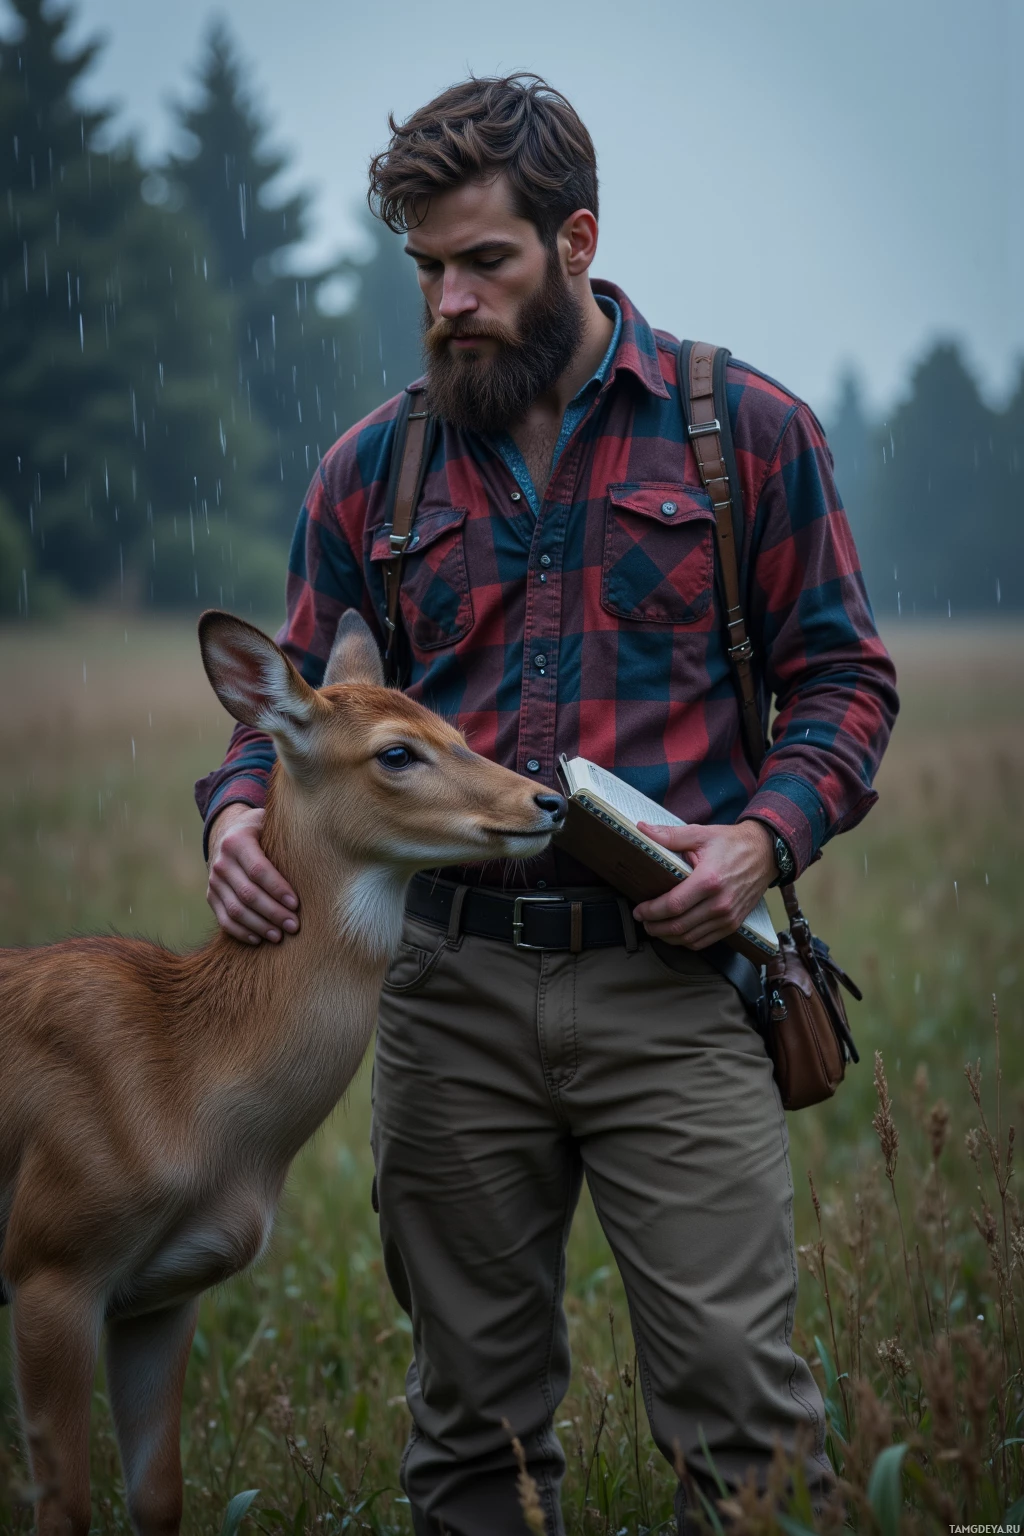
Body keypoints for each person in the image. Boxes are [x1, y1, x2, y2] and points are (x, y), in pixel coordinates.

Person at [195, 74, 898, 1535]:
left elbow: (843, 682)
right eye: (427, 270)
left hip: (678, 981)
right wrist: (233, 817)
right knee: (469, 1445)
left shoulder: (742, 432)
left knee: (746, 1423)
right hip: (445, 993)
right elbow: (292, 724)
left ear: (577, 241)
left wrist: (764, 835)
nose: (448, 300)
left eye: (485, 263)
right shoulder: (368, 471)